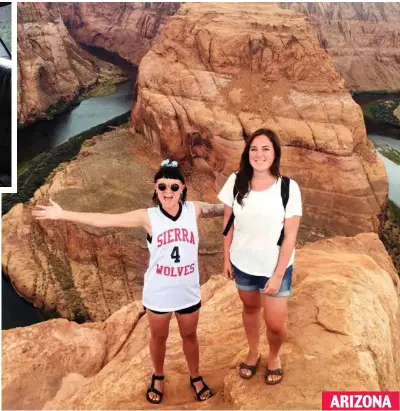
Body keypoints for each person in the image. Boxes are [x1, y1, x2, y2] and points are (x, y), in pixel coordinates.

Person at [33, 159, 225, 404]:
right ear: (156, 188)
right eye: (163, 186)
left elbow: (223, 209)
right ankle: (158, 376)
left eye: (174, 187)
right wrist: (63, 214)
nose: (168, 192)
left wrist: (252, 201)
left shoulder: (194, 209)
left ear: (183, 189)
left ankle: (195, 376)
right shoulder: (147, 217)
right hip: (159, 292)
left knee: (190, 336)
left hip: (187, 291)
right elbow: (104, 220)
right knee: (158, 338)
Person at [218, 128, 302, 385]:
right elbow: (228, 223)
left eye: (266, 148)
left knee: (275, 324)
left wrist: (278, 275)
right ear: (247, 153)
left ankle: (274, 356)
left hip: (275, 268)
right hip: (242, 264)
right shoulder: (236, 181)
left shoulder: (288, 188)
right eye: (254, 148)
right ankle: (254, 352)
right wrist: (225, 259)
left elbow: (290, 235)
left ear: (275, 153)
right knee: (251, 308)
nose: (259, 154)